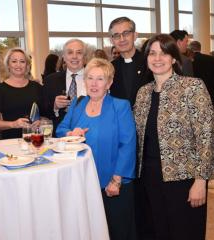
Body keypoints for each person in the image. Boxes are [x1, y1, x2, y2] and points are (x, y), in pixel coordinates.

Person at [134, 34, 214, 240]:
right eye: (152, 53)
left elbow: (206, 136)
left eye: (164, 53)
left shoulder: (192, 87)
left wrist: (200, 181)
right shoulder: (143, 93)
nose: (157, 58)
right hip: (149, 178)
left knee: (185, 232)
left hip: (184, 179)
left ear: (174, 58)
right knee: (158, 232)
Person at [56, 58, 137, 240]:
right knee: (90, 230)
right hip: (82, 182)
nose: (93, 83)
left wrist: (116, 180)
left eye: (100, 79)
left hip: (112, 182)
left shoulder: (120, 106)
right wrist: (70, 133)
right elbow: (60, 130)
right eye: (90, 78)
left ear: (109, 83)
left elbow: (128, 144)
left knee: (117, 230)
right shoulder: (78, 104)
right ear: (84, 81)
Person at [0, 47, 42, 139]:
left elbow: (45, 114)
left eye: (22, 61)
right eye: (14, 61)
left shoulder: (37, 87)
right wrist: (13, 124)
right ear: (8, 65)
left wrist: (40, 121)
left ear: (27, 65)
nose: (18, 65)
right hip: (10, 142)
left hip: (36, 140)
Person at [42, 38, 87, 133]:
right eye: (70, 52)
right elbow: (43, 111)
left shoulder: (95, 79)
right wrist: (55, 106)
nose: (74, 56)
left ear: (85, 56)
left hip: (89, 134)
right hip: (60, 138)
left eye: (79, 52)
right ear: (64, 57)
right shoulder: (50, 80)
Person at [108, 17, 149, 106]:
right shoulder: (110, 68)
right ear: (112, 40)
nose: (122, 39)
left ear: (135, 35)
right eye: (116, 35)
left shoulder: (149, 63)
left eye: (126, 33)